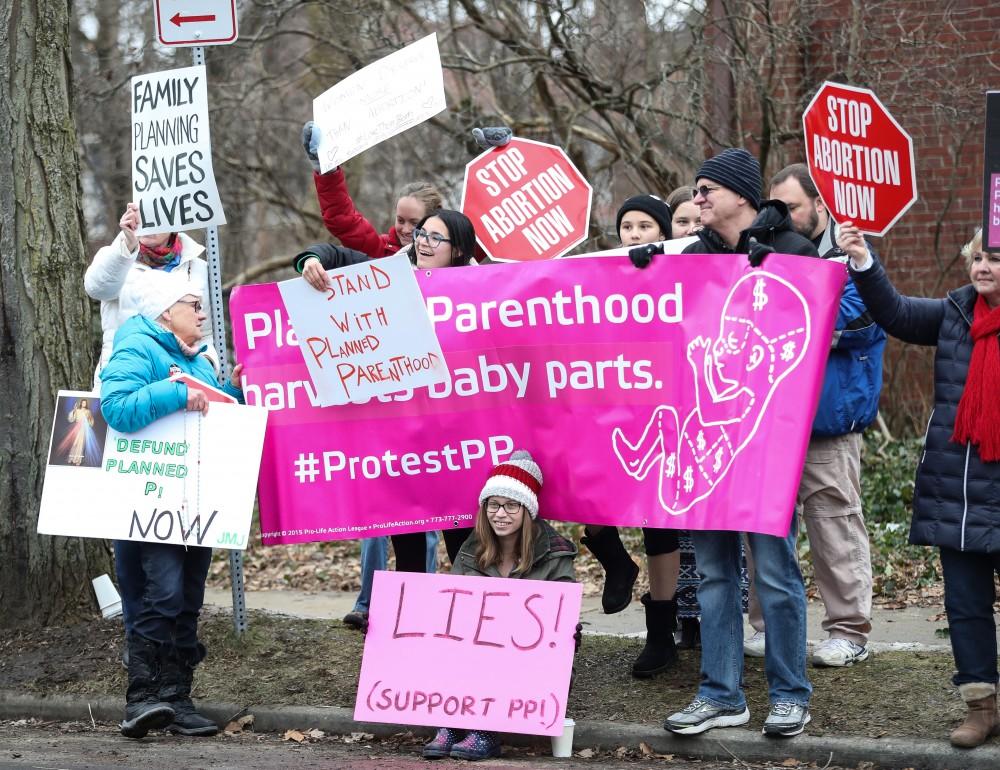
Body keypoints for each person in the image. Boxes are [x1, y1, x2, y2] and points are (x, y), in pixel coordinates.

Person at [631, 148, 815, 738]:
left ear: (742, 194)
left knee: (775, 573)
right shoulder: (691, 256)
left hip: (766, 448)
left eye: (708, 188)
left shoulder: (791, 251)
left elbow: (815, 332)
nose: (698, 198)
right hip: (704, 442)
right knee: (713, 571)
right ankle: (720, 692)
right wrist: (637, 272)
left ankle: (789, 694)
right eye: (696, 188)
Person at [838, 224, 1000, 749]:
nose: (982, 268)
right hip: (959, 491)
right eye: (977, 257)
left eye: (995, 259)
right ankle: (981, 706)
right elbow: (897, 313)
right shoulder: (954, 314)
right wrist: (862, 259)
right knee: (965, 605)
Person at [300, 127, 446, 627]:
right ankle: (371, 602)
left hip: (439, 412)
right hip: (385, 406)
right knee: (378, 512)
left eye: (415, 223)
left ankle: (422, 607)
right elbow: (341, 221)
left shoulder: (460, 267)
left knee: (428, 521)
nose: (404, 230)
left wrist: (502, 154)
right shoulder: (382, 257)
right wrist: (326, 165)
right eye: (400, 221)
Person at [742, 164, 886, 667]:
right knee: (762, 526)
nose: (779, 216)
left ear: (819, 208)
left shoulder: (853, 258)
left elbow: (860, 318)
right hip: (768, 421)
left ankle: (848, 632)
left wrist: (792, 321)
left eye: (792, 207)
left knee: (833, 524)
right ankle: (767, 626)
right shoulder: (758, 253)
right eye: (773, 207)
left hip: (828, 424)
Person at [293, 210, 478, 583]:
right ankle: (410, 627)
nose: (423, 242)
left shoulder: (481, 289)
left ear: (457, 250)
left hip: (455, 442)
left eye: (435, 238)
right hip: (403, 441)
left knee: (464, 544)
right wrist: (310, 261)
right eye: (422, 233)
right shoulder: (387, 275)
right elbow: (333, 253)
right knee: (408, 541)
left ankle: (468, 628)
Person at [100, 274, 244, 739]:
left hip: (195, 503)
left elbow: (214, 415)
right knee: (160, 594)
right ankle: (141, 699)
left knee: (187, 600)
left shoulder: (197, 360)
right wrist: (178, 392)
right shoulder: (136, 347)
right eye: (194, 305)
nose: (203, 314)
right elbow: (115, 408)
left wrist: (236, 393)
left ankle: (177, 699)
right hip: (149, 502)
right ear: (166, 311)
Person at [85, 204, 218, 655]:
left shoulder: (196, 263)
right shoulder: (121, 256)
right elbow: (95, 286)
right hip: (131, 389)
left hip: (185, 392)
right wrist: (126, 241)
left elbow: (203, 329)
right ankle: (141, 645)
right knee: (134, 520)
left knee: (181, 533)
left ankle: (171, 657)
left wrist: (211, 377)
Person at [422, 450, 578, 760]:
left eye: (511, 505)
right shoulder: (471, 551)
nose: (500, 514)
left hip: (529, 655)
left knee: (497, 647)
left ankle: (485, 731)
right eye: (493, 505)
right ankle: (452, 722)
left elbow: (563, 608)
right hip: (478, 652)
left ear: (526, 510)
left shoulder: (554, 553)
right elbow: (453, 607)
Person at [67, 398, 95, 466]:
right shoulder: (77, 410)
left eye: (85, 403)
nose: (84, 404)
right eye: (83, 403)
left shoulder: (88, 411)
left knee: (81, 444)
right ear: (81, 403)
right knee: (75, 443)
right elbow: (71, 419)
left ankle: (78, 460)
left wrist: (88, 424)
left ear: (86, 404)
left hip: (83, 428)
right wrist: (74, 410)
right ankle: (71, 458)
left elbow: (91, 420)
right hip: (76, 428)